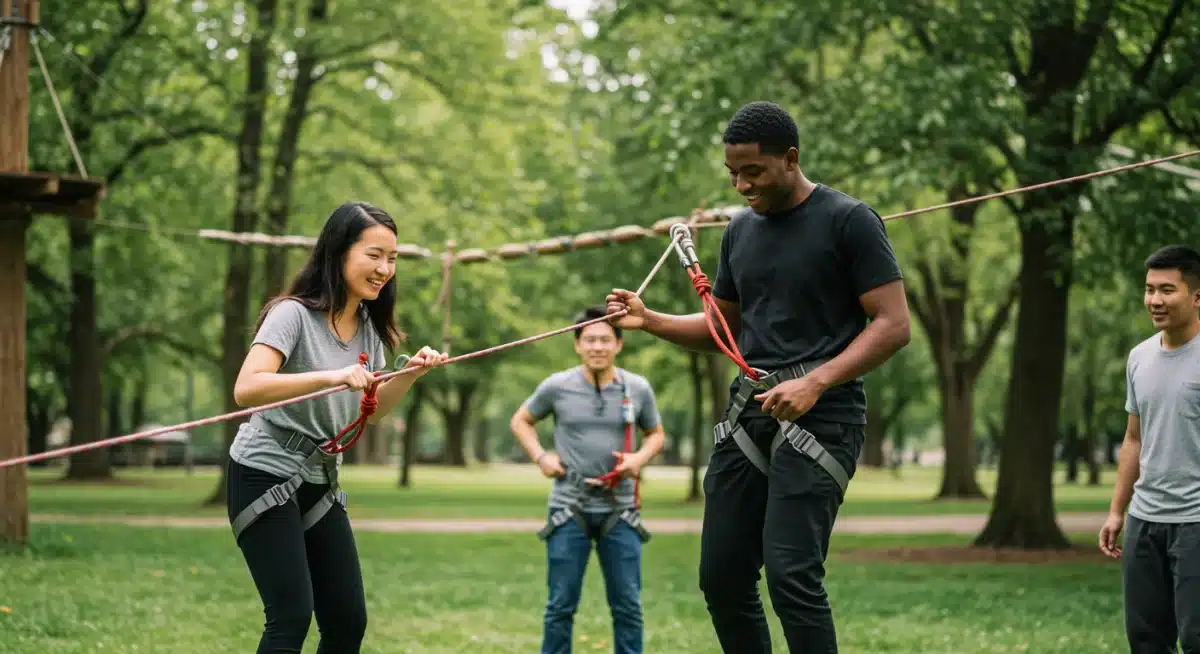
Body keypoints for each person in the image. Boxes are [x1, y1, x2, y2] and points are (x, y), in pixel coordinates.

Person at [606, 101, 910, 653]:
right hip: (749, 414)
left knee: (792, 575)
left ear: (790, 159)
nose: (742, 185)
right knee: (722, 578)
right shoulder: (740, 231)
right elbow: (724, 326)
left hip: (825, 417)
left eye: (754, 171)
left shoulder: (849, 221)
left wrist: (815, 382)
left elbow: (893, 325)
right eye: (732, 173)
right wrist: (651, 321)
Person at [225, 201, 449, 653]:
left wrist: (409, 375)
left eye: (392, 258)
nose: (385, 269)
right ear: (339, 251)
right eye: (374, 255)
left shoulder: (369, 326)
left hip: (320, 479)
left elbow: (372, 411)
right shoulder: (291, 314)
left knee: (347, 622)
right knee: (290, 617)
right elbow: (247, 388)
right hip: (263, 472)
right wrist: (331, 377)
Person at [509, 307, 667, 654]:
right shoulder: (557, 386)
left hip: (621, 510)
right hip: (569, 507)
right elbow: (521, 421)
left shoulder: (637, 388)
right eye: (590, 340)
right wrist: (541, 457)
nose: (597, 347)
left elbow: (656, 434)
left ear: (619, 344)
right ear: (577, 344)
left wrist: (638, 460)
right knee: (560, 607)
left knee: (628, 607)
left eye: (605, 340)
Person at [1099, 244, 1200, 653]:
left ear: (1197, 296)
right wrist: (1116, 510)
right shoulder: (1139, 357)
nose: (1155, 300)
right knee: (1145, 641)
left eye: (1167, 290)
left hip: (1195, 521)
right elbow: (1134, 438)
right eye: (1149, 289)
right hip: (1144, 521)